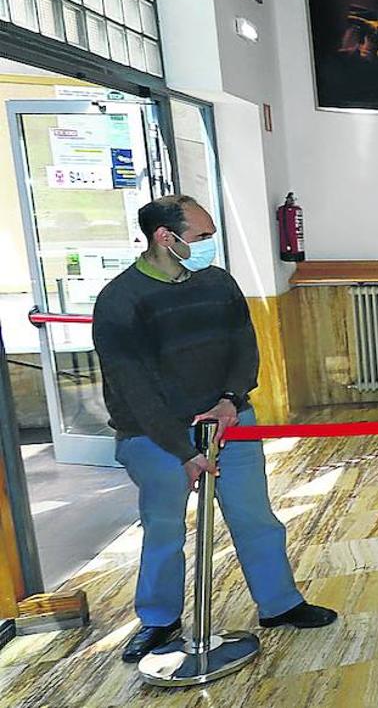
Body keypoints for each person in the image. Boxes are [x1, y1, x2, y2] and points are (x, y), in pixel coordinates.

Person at [93, 195, 336, 663]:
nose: (209, 244)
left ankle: (280, 603)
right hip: (155, 436)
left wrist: (230, 399)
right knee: (164, 527)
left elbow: (245, 346)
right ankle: (159, 620)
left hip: (229, 423)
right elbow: (132, 386)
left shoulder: (218, 283)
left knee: (255, 516)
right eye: (201, 236)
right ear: (165, 237)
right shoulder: (121, 300)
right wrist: (182, 450)